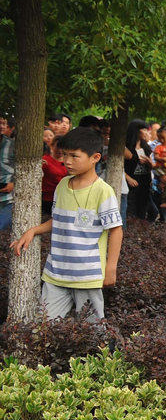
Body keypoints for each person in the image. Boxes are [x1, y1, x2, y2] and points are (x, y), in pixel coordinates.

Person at [9, 127, 122, 320]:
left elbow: (116, 230)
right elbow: (59, 221)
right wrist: (33, 230)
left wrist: (110, 269)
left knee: (92, 329)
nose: (67, 161)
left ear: (95, 157)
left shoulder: (103, 191)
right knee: (44, 326)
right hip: (56, 273)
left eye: (75, 156)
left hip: (87, 276)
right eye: (65, 155)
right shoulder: (62, 185)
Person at [123, 118, 153, 220]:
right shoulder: (126, 147)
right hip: (131, 184)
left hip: (145, 184)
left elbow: (152, 165)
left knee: (144, 212)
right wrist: (128, 178)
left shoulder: (146, 147)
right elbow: (120, 166)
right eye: (144, 129)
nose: (146, 132)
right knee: (131, 212)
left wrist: (149, 163)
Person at [41, 136, 68, 219]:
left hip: (64, 197)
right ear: (52, 146)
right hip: (48, 197)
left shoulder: (68, 160)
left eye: (62, 147)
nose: (60, 150)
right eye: (58, 147)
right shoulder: (45, 160)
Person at [0, 122, 13, 231]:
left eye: (3, 123)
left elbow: (32, 171)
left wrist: (15, 184)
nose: (1, 126)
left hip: (8, 199)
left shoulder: (13, 145)